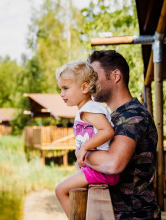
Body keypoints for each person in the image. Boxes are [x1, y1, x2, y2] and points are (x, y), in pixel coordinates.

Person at [83, 50, 161, 219]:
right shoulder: (112, 117)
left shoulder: (133, 115)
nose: (89, 83)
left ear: (116, 75)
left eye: (94, 76)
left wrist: (82, 153)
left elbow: (112, 164)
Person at [54, 60, 119, 218]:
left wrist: (84, 148)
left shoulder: (89, 110)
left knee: (60, 190)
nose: (62, 94)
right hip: (96, 169)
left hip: (101, 171)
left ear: (84, 87)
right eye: (61, 89)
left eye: (66, 88)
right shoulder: (88, 109)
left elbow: (107, 131)